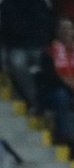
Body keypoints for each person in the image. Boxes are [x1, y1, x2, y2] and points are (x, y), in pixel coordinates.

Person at [39, 17, 74, 147]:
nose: (66, 31)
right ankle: (67, 137)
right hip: (54, 90)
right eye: (63, 29)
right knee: (61, 96)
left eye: (69, 28)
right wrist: (69, 84)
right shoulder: (49, 51)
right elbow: (50, 78)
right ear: (57, 31)